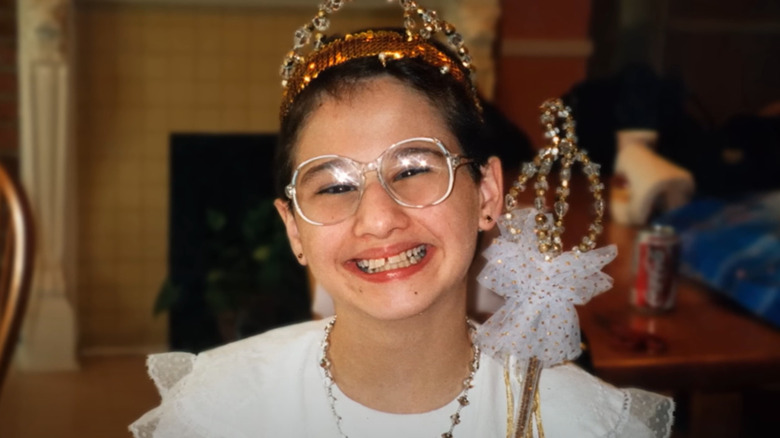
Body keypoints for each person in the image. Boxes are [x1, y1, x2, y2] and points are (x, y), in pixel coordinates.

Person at [130, 1, 674, 437]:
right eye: (335, 185)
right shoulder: (224, 407)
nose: (378, 218)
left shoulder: (580, 422)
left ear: (487, 193)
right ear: (294, 228)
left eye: (414, 169)